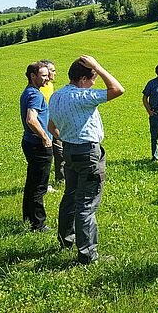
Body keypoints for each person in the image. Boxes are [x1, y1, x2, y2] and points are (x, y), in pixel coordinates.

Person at [49, 55, 124, 264]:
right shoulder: (83, 96)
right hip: (88, 154)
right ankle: (87, 254)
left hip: (68, 150)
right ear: (83, 79)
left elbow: (50, 127)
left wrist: (66, 136)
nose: (94, 83)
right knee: (86, 205)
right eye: (92, 79)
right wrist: (98, 66)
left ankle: (66, 240)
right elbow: (118, 89)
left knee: (70, 197)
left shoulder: (56, 96)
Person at [20, 61, 52, 232]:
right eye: (44, 75)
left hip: (29, 142)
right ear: (33, 76)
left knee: (32, 182)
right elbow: (31, 119)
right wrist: (45, 137)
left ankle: (28, 217)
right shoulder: (36, 95)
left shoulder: (28, 92)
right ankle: (38, 224)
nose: (47, 78)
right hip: (38, 146)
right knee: (39, 186)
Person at [39, 60, 65, 188]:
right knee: (46, 156)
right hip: (44, 127)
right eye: (53, 70)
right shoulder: (38, 90)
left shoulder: (49, 86)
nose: (55, 73)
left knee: (60, 152)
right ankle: (43, 184)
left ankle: (61, 180)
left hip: (54, 124)